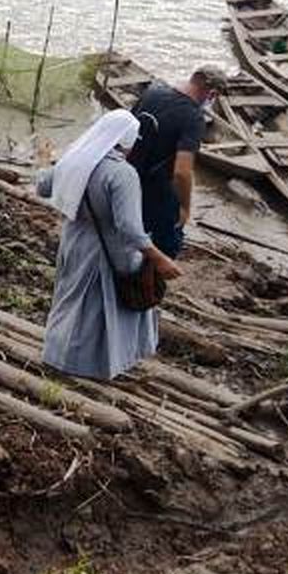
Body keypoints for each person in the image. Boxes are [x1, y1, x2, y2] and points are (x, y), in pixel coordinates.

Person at [37, 109, 182, 380]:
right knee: (99, 310)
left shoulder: (74, 161)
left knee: (70, 300)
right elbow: (129, 228)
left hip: (73, 241)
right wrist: (159, 257)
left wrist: (44, 159)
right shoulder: (121, 174)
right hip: (108, 251)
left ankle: (58, 354)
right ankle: (92, 364)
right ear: (126, 141)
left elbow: (43, 186)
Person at [127, 65, 226, 257]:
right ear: (212, 94)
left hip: (128, 176)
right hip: (157, 188)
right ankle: (150, 280)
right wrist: (185, 207)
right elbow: (182, 171)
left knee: (129, 231)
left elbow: (125, 130)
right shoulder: (193, 117)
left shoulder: (152, 93)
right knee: (169, 243)